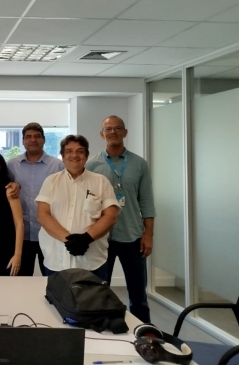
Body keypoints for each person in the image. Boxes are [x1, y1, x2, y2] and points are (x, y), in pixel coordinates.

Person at [86, 116, 155, 323]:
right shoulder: (92, 165)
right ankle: (102, 328)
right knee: (98, 291)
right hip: (101, 239)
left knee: (138, 295)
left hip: (133, 237)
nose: (113, 132)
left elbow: (147, 202)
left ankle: (144, 332)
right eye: (108, 129)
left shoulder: (139, 164)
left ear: (125, 133)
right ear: (102, 134)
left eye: (117, 128)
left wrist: (148, 235)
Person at [36, 135, 120, 280]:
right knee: (55, 301)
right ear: (62, 156)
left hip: (92, 261)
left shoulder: (101, 182)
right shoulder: (51, 181)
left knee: (94, 302)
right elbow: (43, 215)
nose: (74, 155)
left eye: (80, 151)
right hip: (56, 259)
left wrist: (86, 239)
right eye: (69, 151)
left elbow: (110, 216)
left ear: (86, 156)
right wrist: (69, 240)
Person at [7, 122, 64, 276]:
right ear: (23, 141)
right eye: (28, 137)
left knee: (53, 279)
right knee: (20, 282)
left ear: (44, 140)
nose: (33, 140)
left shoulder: (58, 166)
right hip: (21, 235)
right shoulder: (12, 165)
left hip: (49, 233)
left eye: (37, 136)